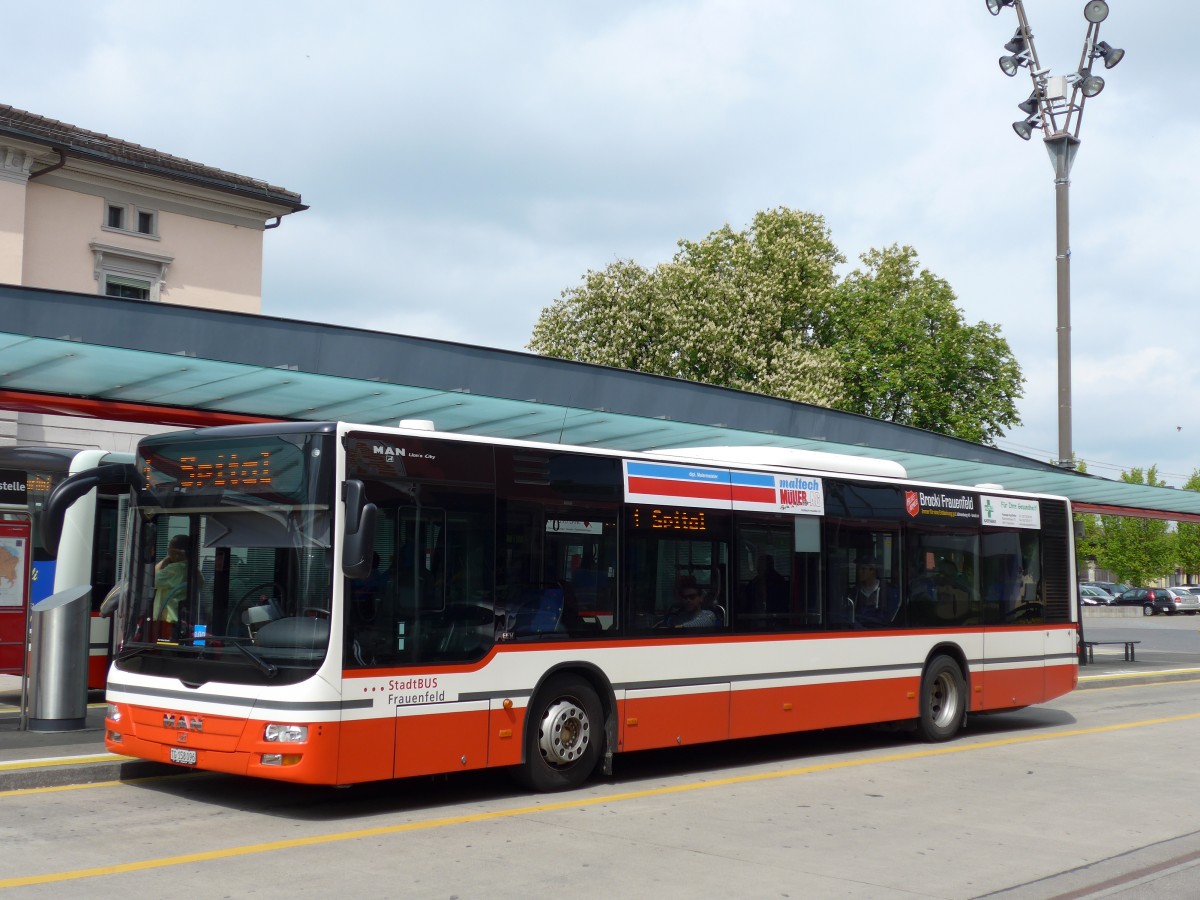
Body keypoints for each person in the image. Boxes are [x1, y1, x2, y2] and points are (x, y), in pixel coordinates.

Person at [151, 534, 192, 641]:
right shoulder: (193, 570)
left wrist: (166, 560)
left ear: (176, 553)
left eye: (169, 550)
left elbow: (150, 580)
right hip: (184, 621)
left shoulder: (174, 570)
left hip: (168, 621)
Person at [849, 556, 898, 624]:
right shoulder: (854, 592)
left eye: (863, 569)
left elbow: (890, 617)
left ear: (873, 570)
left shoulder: (888, 591)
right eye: (858, 569)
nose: (859, 572)